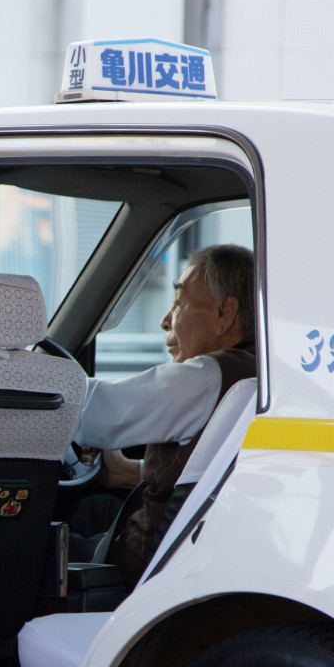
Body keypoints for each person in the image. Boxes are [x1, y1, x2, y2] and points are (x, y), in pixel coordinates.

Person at [67, 244, 257, 584]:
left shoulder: (203, 376)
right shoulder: (259, 371)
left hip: (141, 566)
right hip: (196, 554)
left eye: (179, 302)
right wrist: (127, 472)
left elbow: (88, 411)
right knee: (95, 509)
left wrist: (19, 382)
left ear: (224, 313)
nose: (165, 320)